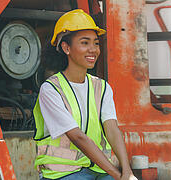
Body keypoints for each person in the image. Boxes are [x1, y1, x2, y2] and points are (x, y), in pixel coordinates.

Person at [33, 9, 137, 180]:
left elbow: (112, 129)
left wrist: (127, 172)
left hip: (100, 171)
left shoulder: (102, 87)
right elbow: (77, 137)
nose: (93, 50)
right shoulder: (51, 89)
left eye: (96, 43)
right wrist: (117, 176)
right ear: (66, 47)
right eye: (84, 43)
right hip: (63, 174)